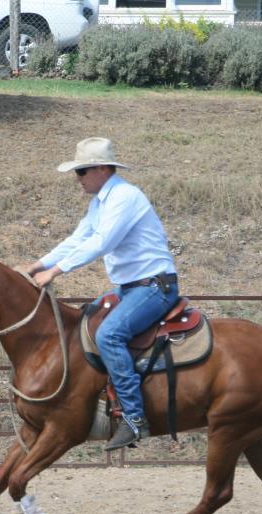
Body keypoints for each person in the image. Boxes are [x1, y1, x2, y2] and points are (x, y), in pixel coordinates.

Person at [19, 137, 180, 451]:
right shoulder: (101, 203)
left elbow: (102, 242)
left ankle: (134, 417)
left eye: (81, 171)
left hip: (154, 287)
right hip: (132, 288)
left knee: (109, 334)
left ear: (103, 169)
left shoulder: (124, 197)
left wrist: (55, 272)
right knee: (84, 324)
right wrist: (37, 265)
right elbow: (78, 239)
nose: (77, 178)